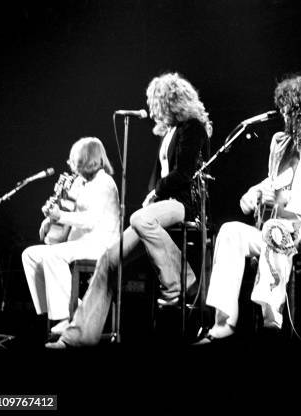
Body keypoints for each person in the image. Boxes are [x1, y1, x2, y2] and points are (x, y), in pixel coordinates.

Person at [47, 72, 211, 348]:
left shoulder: (192, 127)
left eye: (154, 101)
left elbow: (183, 173)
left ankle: (180, 281)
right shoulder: (169, 132)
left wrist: (156, 192)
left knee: (139, 217)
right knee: (109, 260)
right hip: (159, 207)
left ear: (169, 100)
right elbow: (160, 174)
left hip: (183, 204)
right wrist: (153, 193)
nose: (151, 108)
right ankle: (76, 337)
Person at [197, 74, 301, 343]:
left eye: (289, 110)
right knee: (230, 231)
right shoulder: (281, 145)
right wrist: (254, 192)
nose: (284, 116)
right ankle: (223, 323)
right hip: (271, 231)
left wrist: (286, 201)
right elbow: (272, 181)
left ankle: (271, 322)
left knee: (277, 228)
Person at [22, 137, 120, 336]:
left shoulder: (105, 183)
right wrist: (50, 220)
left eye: (77, 160)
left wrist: (61, 215)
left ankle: (68, 316)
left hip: (101, 243)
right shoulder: (81, 182)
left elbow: (91, 220)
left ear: (88, 159)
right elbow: (67, 209)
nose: (73, 165)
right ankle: (64, 310)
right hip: (81, 242)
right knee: (30, 255)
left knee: (52, 256)